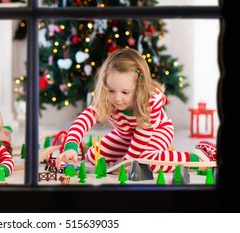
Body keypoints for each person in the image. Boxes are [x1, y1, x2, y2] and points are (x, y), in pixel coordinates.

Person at [56, 48, 216, 172]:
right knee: (94, 156)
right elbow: (84, 119)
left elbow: (142, 135)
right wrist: (71, 145)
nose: (117, 98)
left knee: (145, 161)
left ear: (139, 88)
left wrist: (130, 161)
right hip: (126, 135)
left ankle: (196, 157)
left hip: (157, 131)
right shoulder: (107, 98)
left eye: (125, 92)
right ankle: (134, 155)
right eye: (111, 90)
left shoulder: (149, 102)